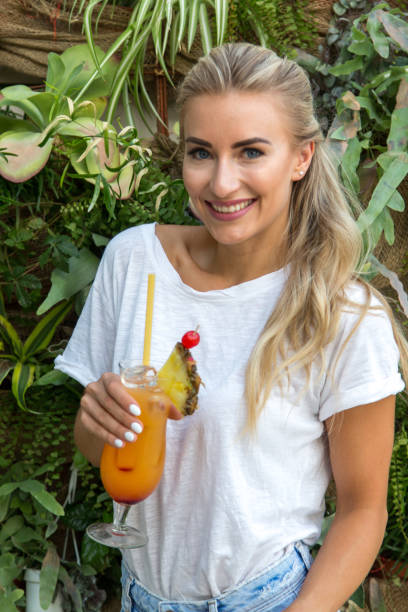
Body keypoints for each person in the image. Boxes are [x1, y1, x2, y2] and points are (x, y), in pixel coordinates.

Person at [55, 43, 408, 612]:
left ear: (301, 158)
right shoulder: (133, 261)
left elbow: (365, 509)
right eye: (201, 152)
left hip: (267, 598)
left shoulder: (342, 314)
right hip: (141, 593)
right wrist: (95, 421)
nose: (222, 183)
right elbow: (99, 447)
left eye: (250, 152)